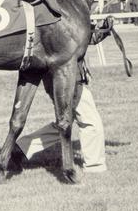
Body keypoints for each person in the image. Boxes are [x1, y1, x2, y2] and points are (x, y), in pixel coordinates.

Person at [12, 19, 115, 173]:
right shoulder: (60, 16)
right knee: (90, 120)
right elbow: (71, 41)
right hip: (66, 78)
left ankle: (22, 147)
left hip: (60, 77)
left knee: (65, 120)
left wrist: (101, 30)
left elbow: (84, 38)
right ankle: (95, 166)